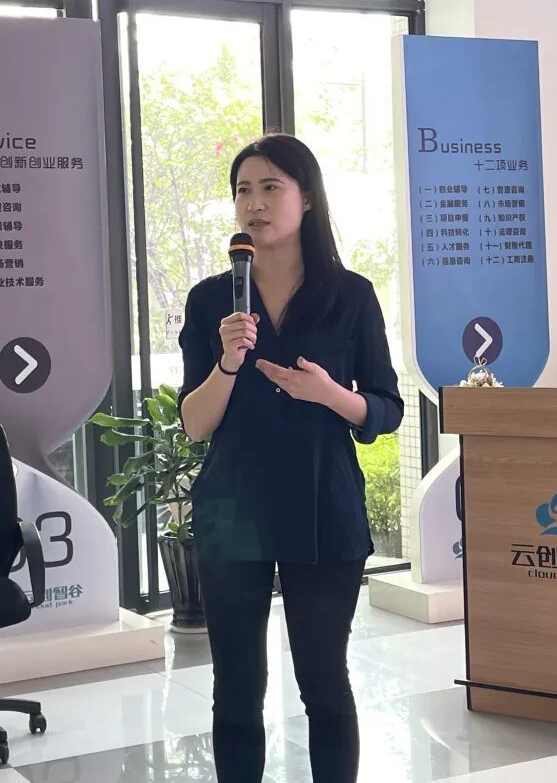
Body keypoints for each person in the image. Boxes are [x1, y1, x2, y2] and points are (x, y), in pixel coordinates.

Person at [177, 133, 403, 783]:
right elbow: (194, 423)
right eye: (243, 190)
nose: (255, 202)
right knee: (236, 690)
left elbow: (386, 408)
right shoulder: (210, 301)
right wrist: (227, 362)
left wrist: (330, 394)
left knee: (324, 684)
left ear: (306, 199)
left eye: (271, 187)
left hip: (323, 507)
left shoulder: (350, 295)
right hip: (233, 511)